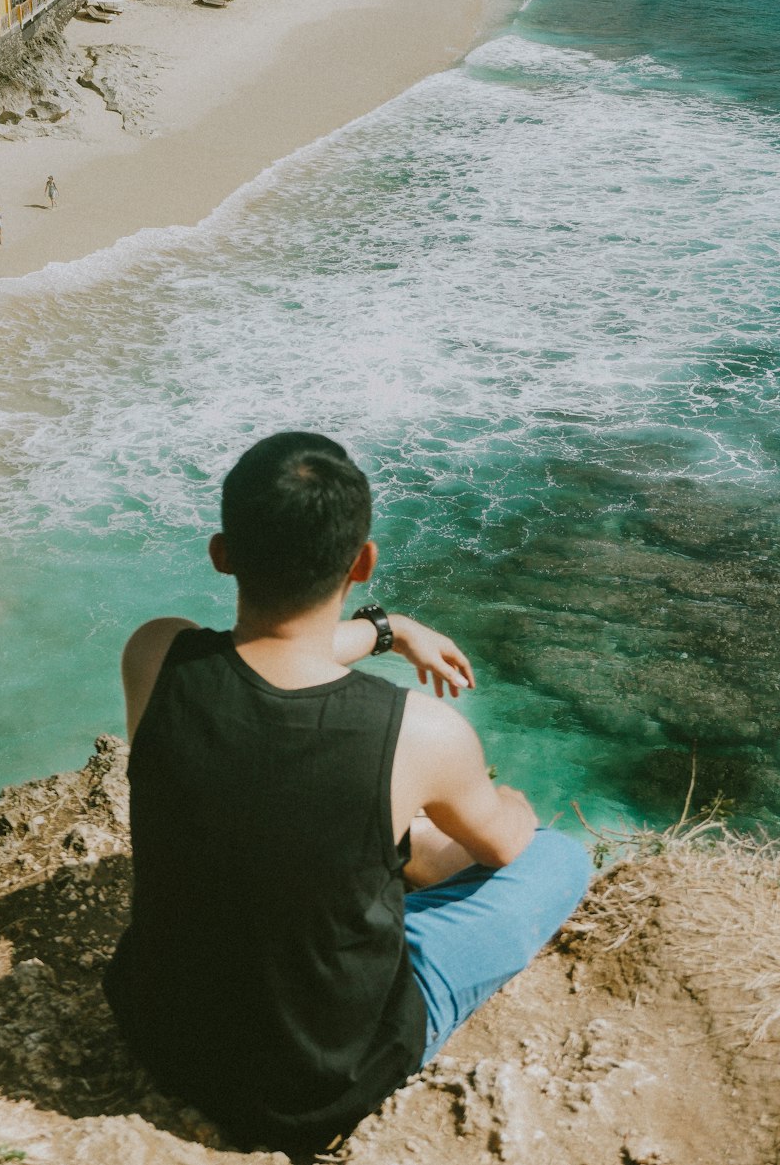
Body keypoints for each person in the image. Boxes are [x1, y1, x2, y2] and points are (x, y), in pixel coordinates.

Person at [105, 431, 589, 1155]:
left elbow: (264, 663)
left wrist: (386, 632)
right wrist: (506, 797)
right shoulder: (421, 733)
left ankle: (400, 851)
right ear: (362, 561)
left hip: (165, 1034)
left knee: (373, 835)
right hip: (324, 1082)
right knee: (557, 857)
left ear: (221, 552)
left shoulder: (155, 653)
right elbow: (503, 846)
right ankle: (405, 855)